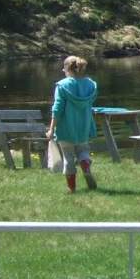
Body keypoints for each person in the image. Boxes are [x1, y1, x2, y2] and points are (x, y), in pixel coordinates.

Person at [45, 55, 99, 193]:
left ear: (67, 69)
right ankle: (85, 165)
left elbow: (57, 109)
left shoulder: (62, 86)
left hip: (66, 128)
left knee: (68, 156)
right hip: (84, 126)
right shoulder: (90, 85)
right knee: (83, 150)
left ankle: (71, 187)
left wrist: (51, 128)